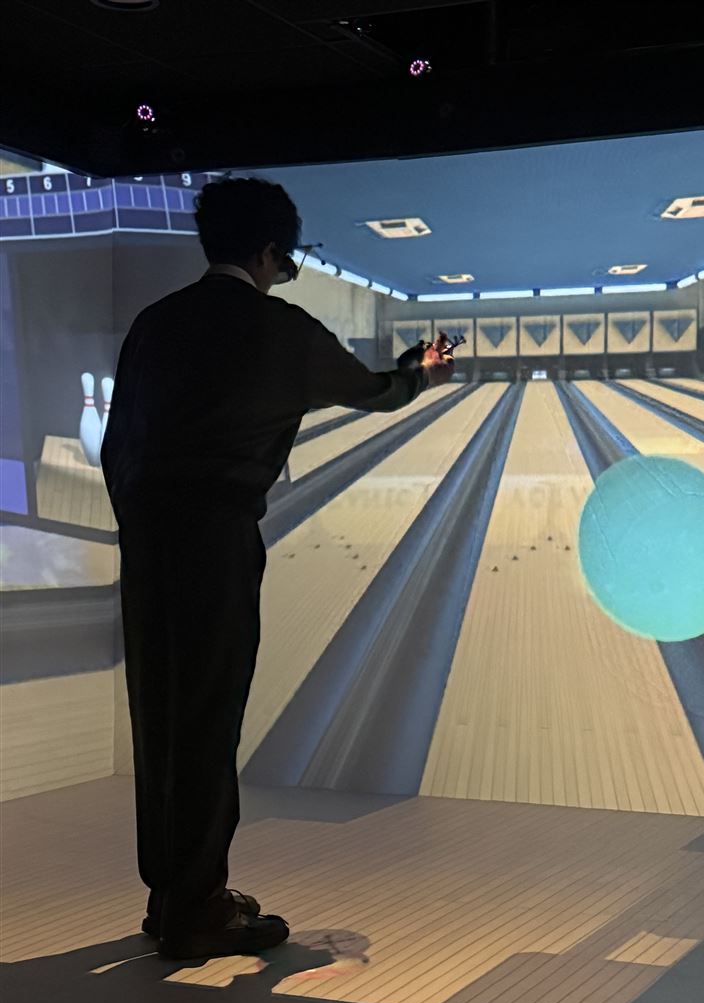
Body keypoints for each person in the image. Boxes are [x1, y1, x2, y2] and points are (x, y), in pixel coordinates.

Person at [101, 177, 454, 962]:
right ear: (268, 252)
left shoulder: (155, 324)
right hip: (216, 544)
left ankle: (172, 894)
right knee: (208, 718)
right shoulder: (280, 330)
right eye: (287, 260)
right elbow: (378, 392)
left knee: (159, 717)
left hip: (148, 544)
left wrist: (142, 526)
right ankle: (199, 910)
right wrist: (420, 369)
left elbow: (118, 444)